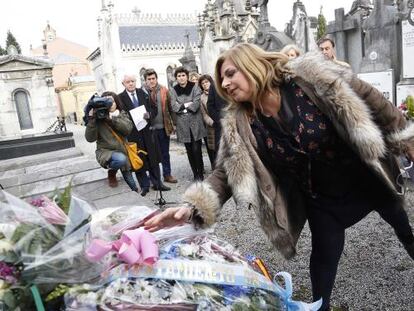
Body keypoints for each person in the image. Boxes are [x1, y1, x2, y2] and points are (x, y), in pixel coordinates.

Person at [144, 43, 414, 310]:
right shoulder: (240, 123)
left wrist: (408, 140)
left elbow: (372, 99)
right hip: (320, 196)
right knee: (323, 258)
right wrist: (192, 207)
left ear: (252, 65)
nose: (224, 84)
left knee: (403, 227)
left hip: (365, 177)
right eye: (221, 79)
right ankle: (320, 308)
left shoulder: (309, 79)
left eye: (230, 73)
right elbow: (226, 172)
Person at [119, 74, 170, 196]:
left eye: (132, 81)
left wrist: (149, 114)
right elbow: (121, 115)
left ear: (135, 82)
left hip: (147, 130)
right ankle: (144, 185)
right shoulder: (121, 98)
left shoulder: (143, 93)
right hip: (133, 133)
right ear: (124, 84)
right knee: (139, 158)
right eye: (128, 82)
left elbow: (154, 108)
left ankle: (157, 183)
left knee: (153, 156)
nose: (131, 84)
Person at [85, 91, 139, 192]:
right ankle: (112, 172)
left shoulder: (121, 114)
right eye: (106, 101)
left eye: (112, 101)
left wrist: (112, 120)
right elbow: (90, 139)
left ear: (116, 103)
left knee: (131, 183)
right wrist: (92, 120)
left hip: (123, 150)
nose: (110, 104)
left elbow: (127, 129)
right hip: (106, 151)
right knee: (121, 159)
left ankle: (137, 197)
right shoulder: (98, 118)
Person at [170, 66, 207, 181]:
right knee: (189, 150)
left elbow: (196, 103)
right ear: (176, 78)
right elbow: (174, 106)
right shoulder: (173, 90)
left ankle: (200, 174)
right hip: (183, 125)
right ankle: (195, 174)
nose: (181, 78)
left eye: (183, 75)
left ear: (186, 76)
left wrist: (183, 107)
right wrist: (185, 105)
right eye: (179, 76)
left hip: (196, 122)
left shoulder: (195, 87)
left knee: (197, 149)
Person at [143, 68, 178, 184]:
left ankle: (167, 174)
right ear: (145, 80)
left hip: (163, 127)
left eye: (153, 78)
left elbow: (170, 108)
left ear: (156, 79)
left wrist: (175, 124)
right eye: (149, 79)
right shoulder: (142, 92)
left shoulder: (164, 90)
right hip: (149, 129)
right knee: (151, 154)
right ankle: (154, 177)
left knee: (164, 153)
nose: (152, 81)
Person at [198, 74, 216, 169]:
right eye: (203, 83)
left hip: (222, 123)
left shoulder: (218, 93)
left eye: (206, 82)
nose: (205, 84)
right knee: (214, 151)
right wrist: (212, 122)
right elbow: (204, 114)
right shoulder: (201, 98)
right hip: (212, 127)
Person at [207, 77, 227, 152]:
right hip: (220, 124)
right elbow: (210, 106)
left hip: (239, 122)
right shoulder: (214, 85)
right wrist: (219, 119)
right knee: (221, 153)